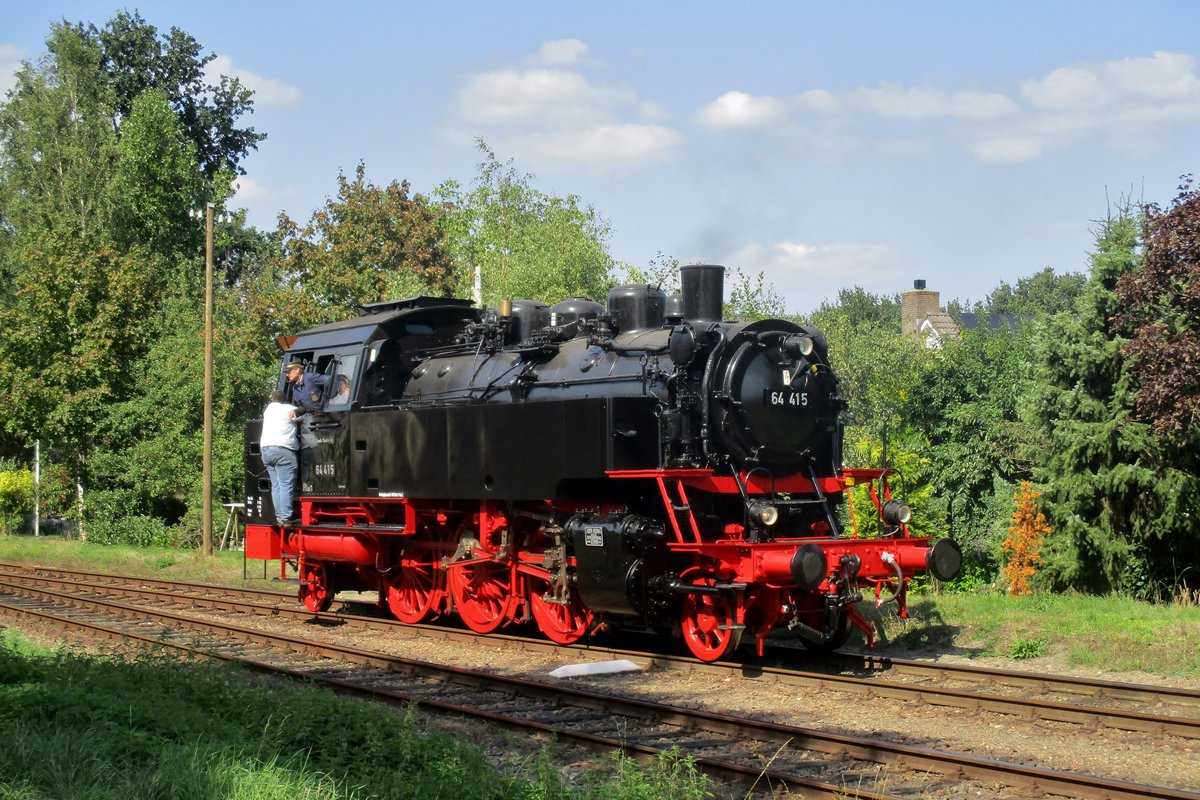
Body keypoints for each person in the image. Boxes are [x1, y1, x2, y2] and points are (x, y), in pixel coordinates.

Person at [284, 361, 327, 490]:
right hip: (310, 418)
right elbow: (303, 407)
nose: (287, 375)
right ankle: (307, 483)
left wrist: (330, 402)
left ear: (297, 370)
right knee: (306, 450)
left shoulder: (310, 378)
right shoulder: (295, 388)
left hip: (324, 417)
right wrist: (295, 411)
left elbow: (330, 381)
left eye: (289, 371)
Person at [260, 390, 299, 526]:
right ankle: (286, 517)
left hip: (266, 449)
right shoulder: (288, 409)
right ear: (284, 400)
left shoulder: (267, 410)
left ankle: (279, 517)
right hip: (282, 449)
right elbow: (304, 410)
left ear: (272, 399)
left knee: (276, 485)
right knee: (285, 484)